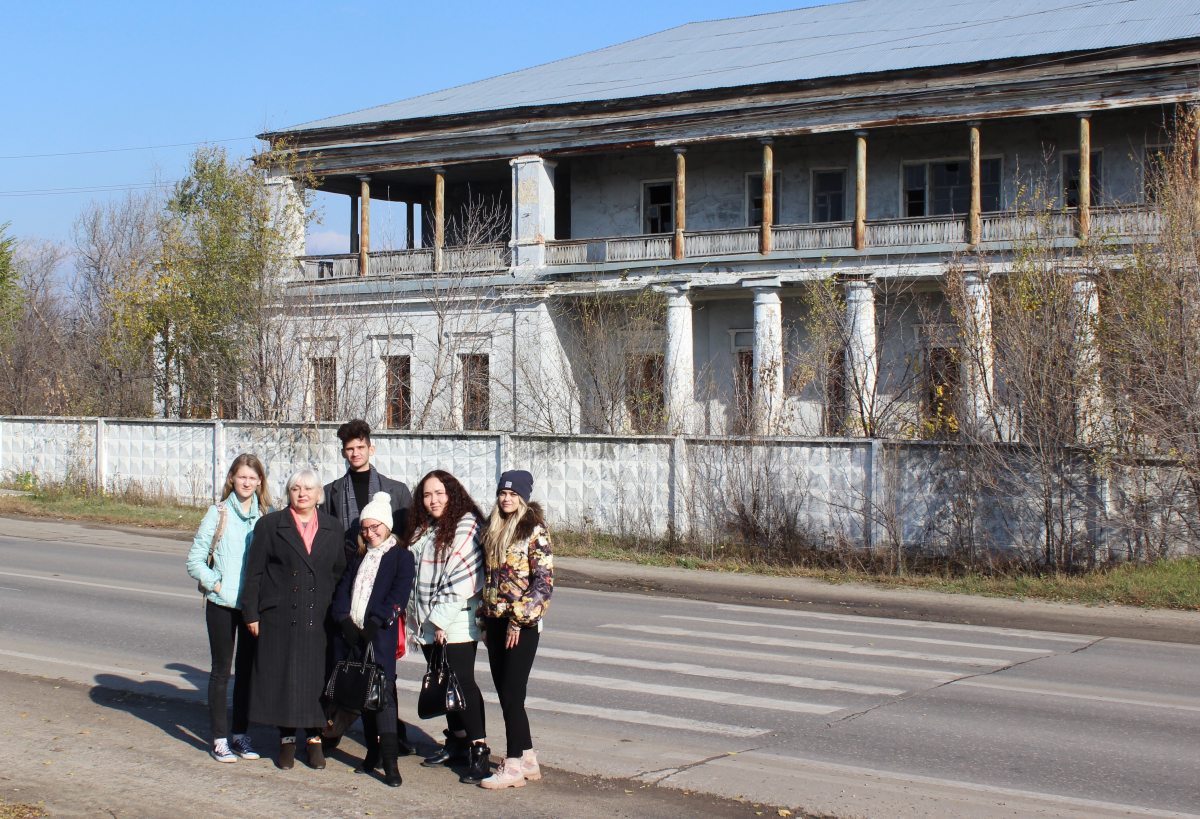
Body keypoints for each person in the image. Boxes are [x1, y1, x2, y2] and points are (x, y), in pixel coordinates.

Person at [240, 468, 347, 770]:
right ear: (288, 493)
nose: (302, 494)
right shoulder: (270, 525)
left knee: (316, 677)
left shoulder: (333, 527)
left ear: (318, 495)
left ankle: (314, 738)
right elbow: (255, 572)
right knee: (283, 676)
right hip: (280, 615)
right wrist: (252, 612)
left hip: (319, 613)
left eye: (309, 489)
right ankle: (286, 738)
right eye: (296, 488)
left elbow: (338, 571)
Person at [321, 418, 415, 753]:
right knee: (343, 663)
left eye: (361, 447)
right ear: (344, 452)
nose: (355, 453)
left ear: (370, 448)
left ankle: (389, 737)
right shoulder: (333, 492)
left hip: (383, 590)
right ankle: (332, 729)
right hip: (346, 588)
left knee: (382, 667)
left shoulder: (396, 490)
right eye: (349, 449)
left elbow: (402, 542)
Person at [404, 469, 491, 784]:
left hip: (455, 620)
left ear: (452, 493)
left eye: (439, 493)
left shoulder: (466, 527)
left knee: (463, 684)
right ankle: (456, 741)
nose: (433, 500)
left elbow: (463, 581)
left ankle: (479, 749)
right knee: (444, 683)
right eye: (427, 495)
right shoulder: (425, 529)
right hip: (428, 621)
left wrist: (440, 619)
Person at [186, 454, 271, 764]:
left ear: (260, 481)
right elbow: (194, 561)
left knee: (247, 672)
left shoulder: (266, 514)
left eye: (253, 477)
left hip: (252, 607)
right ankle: (220, 739)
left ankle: (240, 736)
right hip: (221, 604)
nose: (247, 482)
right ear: (232, 479)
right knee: (222, 671)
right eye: (241, 477)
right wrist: (217, 585)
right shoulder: (218, 513)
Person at [331, 492, 416, 788]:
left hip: (378, 638)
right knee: (361, 697)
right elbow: (343, 590)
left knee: (384, 699)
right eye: (364, 528)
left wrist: (375, 623)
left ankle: (391, 763)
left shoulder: (402, 557)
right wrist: (343, 619)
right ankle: (372, 753)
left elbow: (399, 595)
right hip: (352, 636)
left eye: (375, 526)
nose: (369, 533)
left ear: (387, 525)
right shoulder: (359, 556)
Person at [476, 470, 554, 789]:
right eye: (502, 494)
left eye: (512, 494)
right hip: (494, 622)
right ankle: (528, 757)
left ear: (522, 498)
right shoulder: (493, 528)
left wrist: (519, 618)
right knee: (509, 695)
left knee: (511, 693)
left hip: (520, 625)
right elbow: (488, 579)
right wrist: (483, 619)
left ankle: (512, 767)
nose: (506, 499)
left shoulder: (534, 530)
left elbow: (544, 582)